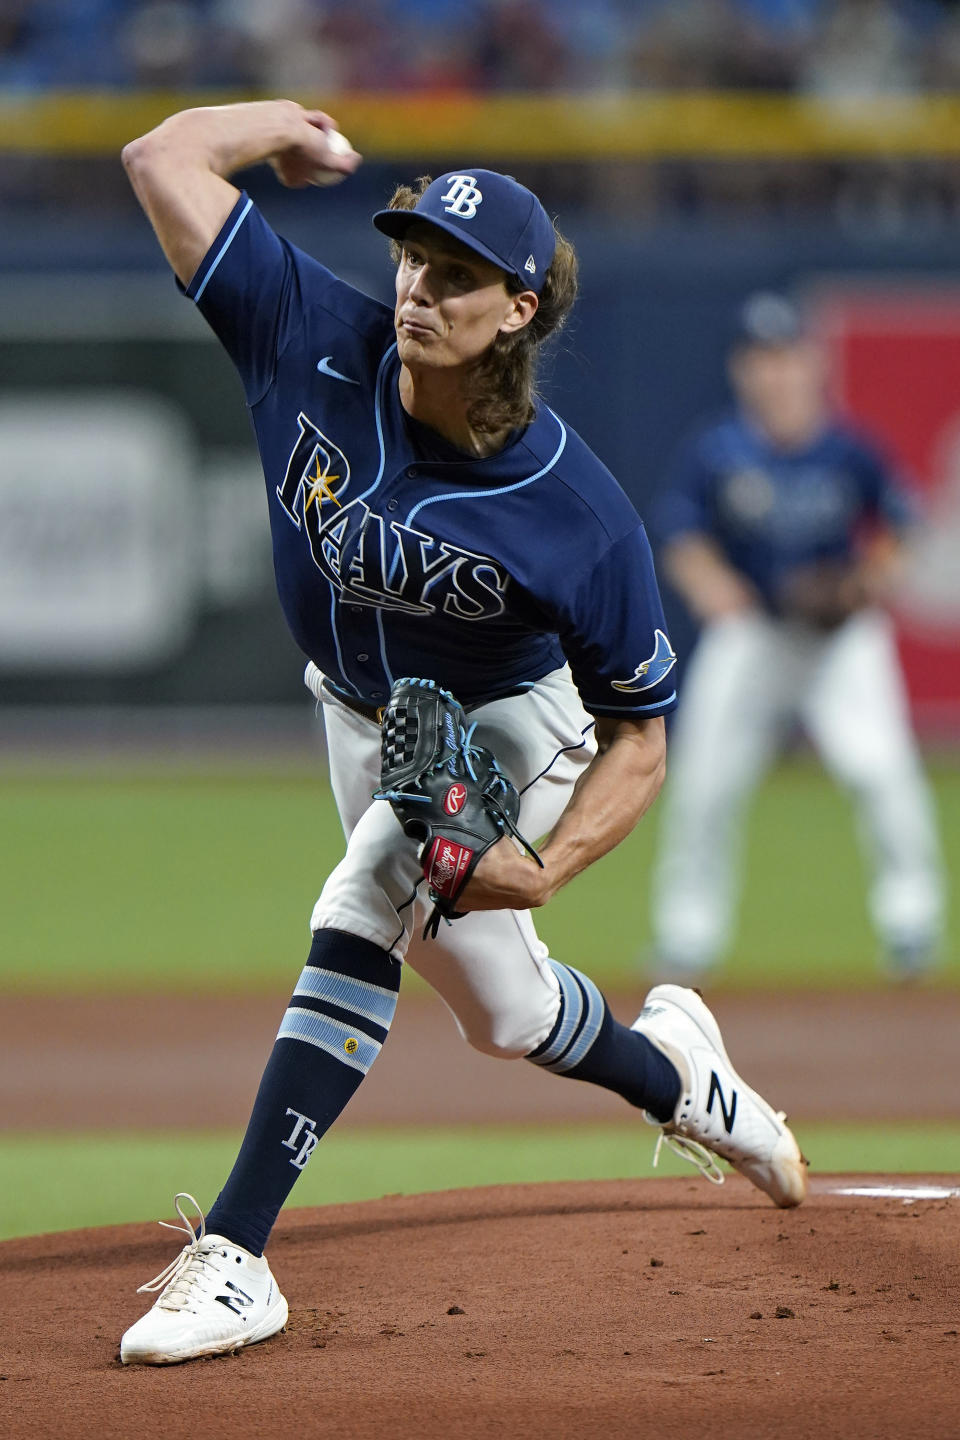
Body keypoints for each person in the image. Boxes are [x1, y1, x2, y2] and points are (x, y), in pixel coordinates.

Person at [117, 103, 807, 1367]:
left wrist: (544, 870)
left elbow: (642, 738)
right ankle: (687, 1079)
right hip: (358, 712)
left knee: (368, 891)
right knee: (507, 1012)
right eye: (409, 258)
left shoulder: (576, 515)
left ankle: (236, 1256)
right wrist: (287, 130)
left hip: (515, 720)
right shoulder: (309, 331)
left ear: (522, 309)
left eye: (455, 275)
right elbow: (159, 158)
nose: (415, 289)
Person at [648, 291, 945, 984]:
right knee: (704, 786)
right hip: (754, 632)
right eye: (762, 360)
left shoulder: (850, 448)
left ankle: (911, 926)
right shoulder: (718, 449)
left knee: (882, 776)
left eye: (786, 358)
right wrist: (715, 587)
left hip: (840, 641)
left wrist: (864, 582)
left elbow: (902, 529)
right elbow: (681, 536)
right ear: (743, 370)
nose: (776, 373)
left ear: (812, 366)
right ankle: (687, 938)